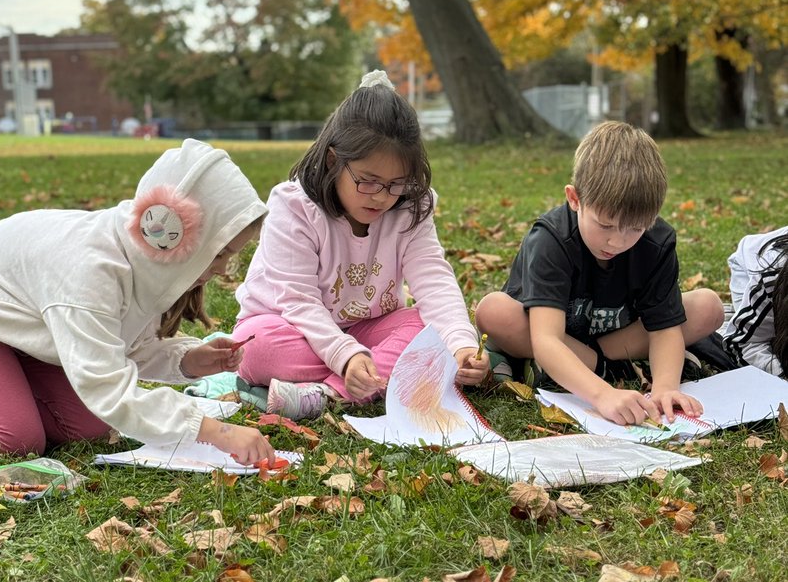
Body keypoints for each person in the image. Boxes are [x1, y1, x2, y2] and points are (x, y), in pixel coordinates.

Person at [0, 141, 277, 465]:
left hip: (29, 321)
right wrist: (215, 431)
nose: (224, 269)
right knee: (15, 439)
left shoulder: (149, 264)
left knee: (87, 427)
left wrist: (188, 360)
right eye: (220, 253)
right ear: (171, 233)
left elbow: (121, 348)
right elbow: (108, 388)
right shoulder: (90, 274)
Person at [232, 70, 493, 420]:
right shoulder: (294, 206)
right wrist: (346, 355)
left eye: (396, 183)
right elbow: (298, 300)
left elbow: (433, 279)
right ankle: (363, 376)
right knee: (254, 349)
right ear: (333, 160)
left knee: (428, 333)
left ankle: (326, 395)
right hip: (288, 326)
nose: (383, 197)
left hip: (368, 329)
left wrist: (460, 343)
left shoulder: (411, 208)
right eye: (368, 182)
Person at [475, 121, 724, 426]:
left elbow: (664, 327)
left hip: (617, 336)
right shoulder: (551, 239)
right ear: (574, 198)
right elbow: (547, 339)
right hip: (550, 332)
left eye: (635, 228)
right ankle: (608, 368)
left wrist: (665, 388)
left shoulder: (656, 244)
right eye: (605, 225)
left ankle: (581, 365)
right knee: (494, 311)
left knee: (708, 308)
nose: (617, 242)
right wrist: (603, 394)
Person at [720, 226, 788, 376]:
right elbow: (744, 343)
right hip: (746, 268)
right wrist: (781, 376)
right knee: (768, 338)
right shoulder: (771, 276)